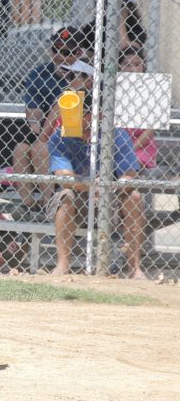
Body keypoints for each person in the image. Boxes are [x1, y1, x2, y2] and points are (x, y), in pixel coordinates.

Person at [47, 92, 146, 279]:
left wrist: (109, 188)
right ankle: (63, 265)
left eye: (80, 114)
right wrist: (92, 186)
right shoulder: (59, 137)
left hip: (111, 196)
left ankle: (135, 268)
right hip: (79, 196)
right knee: (65, 196)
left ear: (96, 115)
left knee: (134, 197)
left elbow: (129, 174)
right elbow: (64, 177)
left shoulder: (116, 134)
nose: (71, 119)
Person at [14, 26, 83, 215]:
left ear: (79, 53)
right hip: (46, 131)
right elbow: (33, 116)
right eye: (56, 50)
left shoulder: (84, 76)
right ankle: (29, 206)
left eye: (67, 52)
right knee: (21, 149)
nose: (60, 56)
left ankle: (48, 203)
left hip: (76, 135)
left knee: (41, 148)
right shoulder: (39, 74)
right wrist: (42, 132)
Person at [117, 48, 157, 173]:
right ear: (120, 66)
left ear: (143, 67)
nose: (132, 69)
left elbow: (150, 130)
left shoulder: (153, 89)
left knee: (131, 162)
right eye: (127, 64)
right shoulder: (111, 89)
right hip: (116, 142)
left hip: (141, 145)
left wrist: (130, 150)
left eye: (137, 64)